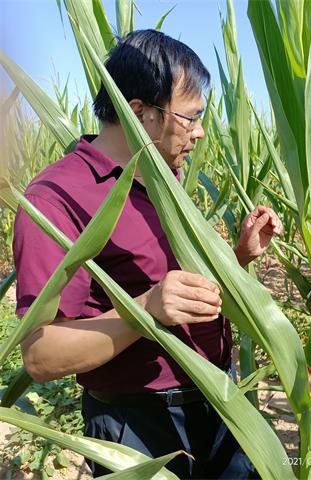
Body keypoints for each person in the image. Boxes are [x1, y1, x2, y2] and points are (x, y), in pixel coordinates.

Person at [13, 30, 282, 478]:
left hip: (222, 404)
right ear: (139, 113)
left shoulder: (165, 177)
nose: (199, 132)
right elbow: (41, 355)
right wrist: (145, 310)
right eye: (189, 118)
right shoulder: (57, 199)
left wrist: (238, 258)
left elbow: (179, 293)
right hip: (139, 426)